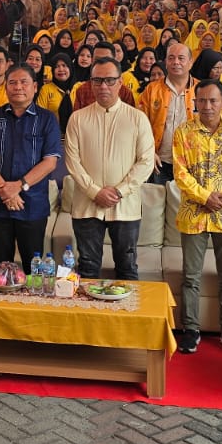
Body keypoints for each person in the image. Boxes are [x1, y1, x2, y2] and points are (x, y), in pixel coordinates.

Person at [171, 80, 222, 355]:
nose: (207, 106)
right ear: (194, 102)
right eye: (202, 101)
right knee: (190, 277)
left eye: (213, 101)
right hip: (193, 213)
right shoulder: (183, 132)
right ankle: (190, 329)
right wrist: (205, 196)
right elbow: (180, 174)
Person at [62, 57, 154, 281]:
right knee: (87, 267)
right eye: (97, 80)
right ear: (91, 83)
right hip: (87, 205)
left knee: (127, 268)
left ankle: (128, 306)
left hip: (125, 205)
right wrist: (95, 192)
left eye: (110, 80)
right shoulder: (77, 119)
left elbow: (146, 162)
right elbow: (72, 161)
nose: (103, 86)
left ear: (120, 82)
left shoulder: (137, 118)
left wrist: (120, 191)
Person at [0, 65, 63, 269]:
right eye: (12, 83)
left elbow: (50, 162)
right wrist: (5, 190)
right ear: (6, 87)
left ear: (35, 87)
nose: (18, 87)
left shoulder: (47, 119)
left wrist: (18, 186)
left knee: (33, 267)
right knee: (1, 267)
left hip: (32, 205)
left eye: (24, 82)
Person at [136, 41, 196, 183]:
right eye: (171, 58)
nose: (176, 62)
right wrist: (149, 151)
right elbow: (139, 124)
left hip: (191, 162)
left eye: (181, 58)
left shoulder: (201, 90)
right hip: (159, 161)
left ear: (190, 62)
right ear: (166, 62)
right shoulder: (152, 89)